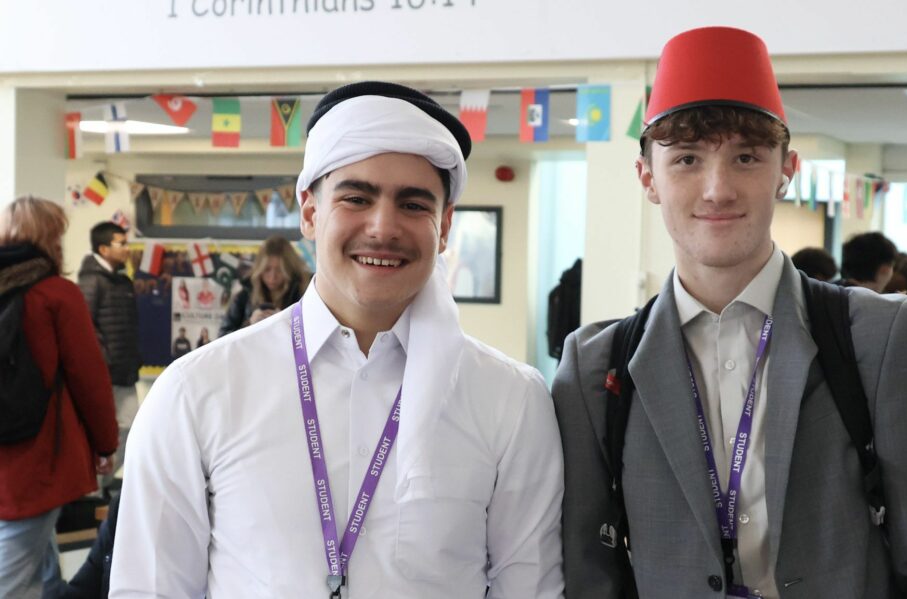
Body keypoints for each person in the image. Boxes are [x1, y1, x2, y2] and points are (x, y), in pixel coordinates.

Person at [551, 27, 907, 599]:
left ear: (787, 170)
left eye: (746, 157)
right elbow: (589, 575)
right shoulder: (594, 368)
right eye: (686, 159)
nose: (717, 189)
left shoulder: (878, 338)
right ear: (647, 178)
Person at [111, 82, 564, 598]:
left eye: (414, 204)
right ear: (309, 212)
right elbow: (149, 588)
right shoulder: (198, 391)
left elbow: (529, 588)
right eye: (356, 197)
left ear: (444, 228)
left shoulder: (510, 400)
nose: (382, 226)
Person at [0, 196, 118, 599]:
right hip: (36, 463)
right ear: (52, 238)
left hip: (8, 467)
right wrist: (105, 444)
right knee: (14, 582)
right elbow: (90, 379)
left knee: (43, 570)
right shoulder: (55, 295)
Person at [77, 221, 141, 494]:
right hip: (104, 373)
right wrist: (103, 360)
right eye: (121, 243)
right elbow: (85, 327)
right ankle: (89, 489)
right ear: (103, 248)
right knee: (100, 431)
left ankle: (99, 484)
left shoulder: (123, 280)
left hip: (125, 371)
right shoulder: (91, 281)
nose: (127, 248)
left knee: (132, 428)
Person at [218, 235, 310, 336]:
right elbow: (222, 337)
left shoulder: (305, 293)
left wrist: (286, 323)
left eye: (279, 270)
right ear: (259, 269)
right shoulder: (244, 295)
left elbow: (315, 336)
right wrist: (249, 324)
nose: (272, 277)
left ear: (289, 270)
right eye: (267, 269)